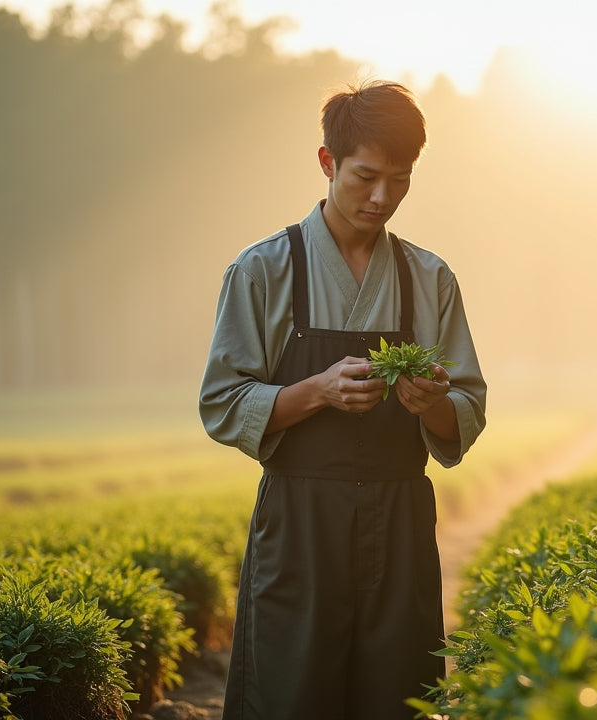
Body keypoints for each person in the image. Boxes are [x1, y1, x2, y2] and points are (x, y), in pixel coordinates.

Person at [199, 80, 487, 719]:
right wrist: (318, 391)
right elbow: (222, 402)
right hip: (300, 522)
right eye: (366, 177)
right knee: (289, 693)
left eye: (400, 181)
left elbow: (466, 407)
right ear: (328, 162)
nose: (382, 197)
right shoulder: (262, 269)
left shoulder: (430, 277)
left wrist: (430, 403)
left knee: (398, 694)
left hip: (400, 518)